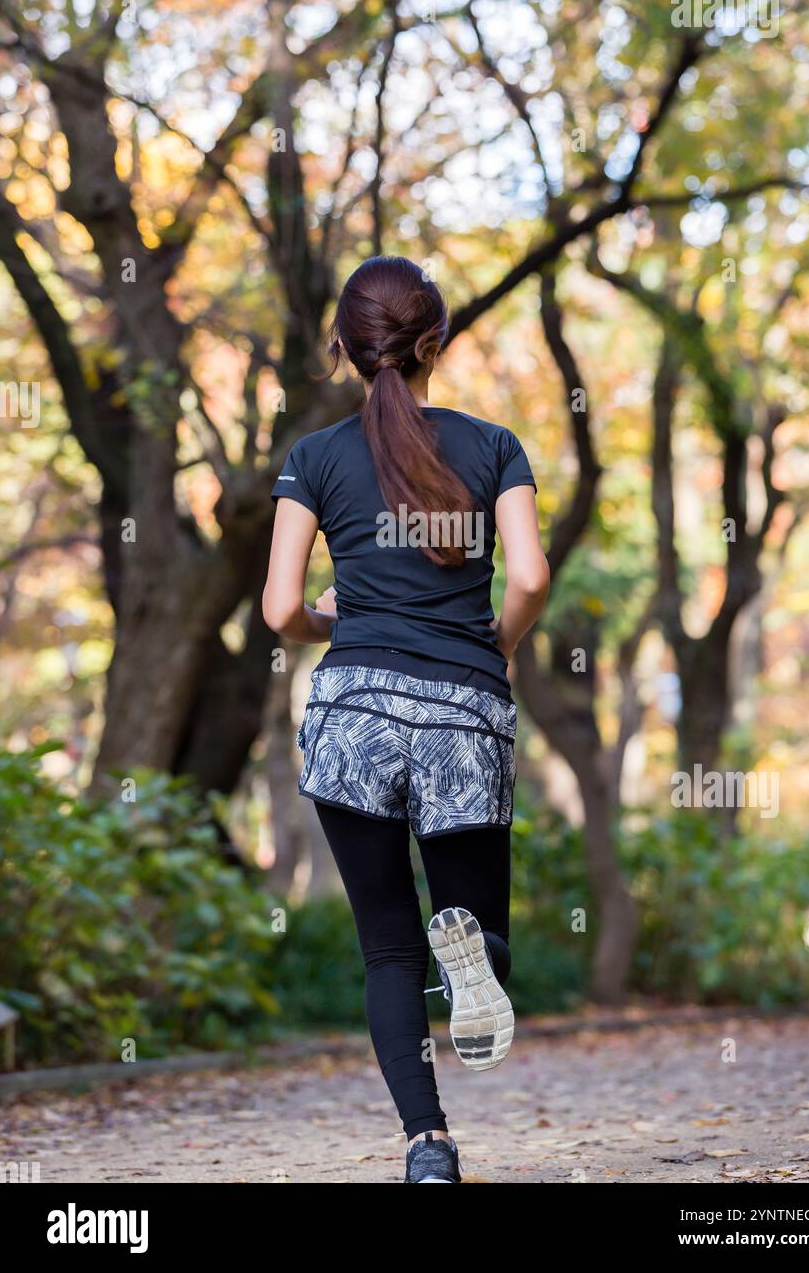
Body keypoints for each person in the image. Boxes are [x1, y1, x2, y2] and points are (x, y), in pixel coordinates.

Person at [262, 255, 549, 1183]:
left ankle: (427, 1146)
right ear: (440, 342)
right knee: (474, 928)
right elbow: (533, 577)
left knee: (386, 945)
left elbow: (278, 609)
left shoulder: (311, 459)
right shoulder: (494, 445)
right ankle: (477, 947)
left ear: (340, 347)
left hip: (352, 713)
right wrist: (492, 645)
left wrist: (330, 622)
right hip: (463, 710)